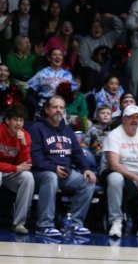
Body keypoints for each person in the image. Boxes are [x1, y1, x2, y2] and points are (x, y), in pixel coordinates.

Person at [30, 95, 96, 236]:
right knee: (51, 177)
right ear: (47, 110)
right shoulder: (37, 128)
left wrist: (87, 169)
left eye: (61, 107)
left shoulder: (67, 129)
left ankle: (74, 223)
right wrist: (54, 168)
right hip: (41, 173)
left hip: (65, 173)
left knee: (87, 181)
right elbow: (35, 158)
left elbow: (78, 153)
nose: (58, 110)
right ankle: (44, 225)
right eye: (55, 107)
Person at [102, 105, 138, 240]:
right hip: (119, 172)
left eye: (137, 117)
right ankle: (116, 221)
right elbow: (114, 164)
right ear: (123, 119)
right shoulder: (114, 135)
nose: (134, 120)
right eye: (130, 117)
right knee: (115, 179)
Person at [0, 105, 34, 233]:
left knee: (28, 177)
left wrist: (24, 145)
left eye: (21, 120)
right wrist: (15, 168)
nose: (18, 124)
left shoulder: (26, 136)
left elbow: (26, 164)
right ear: (7, 121)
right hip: (5, 169)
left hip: (10, 172)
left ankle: (19, 223)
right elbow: (18, 166)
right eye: (15, 120)